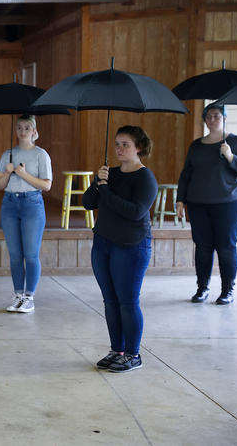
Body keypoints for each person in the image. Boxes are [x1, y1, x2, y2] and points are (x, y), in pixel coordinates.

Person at [83, 126, 157, 373]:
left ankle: (133, 354)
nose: (119, 149)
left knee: (127, 301)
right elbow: (87, 203)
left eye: (125, 144)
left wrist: (105, 189)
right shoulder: (109, 174)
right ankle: (117, 350)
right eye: (117, 144)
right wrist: (97, 182)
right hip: (103, 242)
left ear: (139, 148)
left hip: (131, 246)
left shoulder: (145, 178)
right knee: (110, 301)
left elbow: (135, 212)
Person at [176, 104, 237, 305]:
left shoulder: (236, 142)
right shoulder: (196, 146)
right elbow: (186, 174)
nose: (212, 120)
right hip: (198, 203)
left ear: (224, 118)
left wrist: (231, 157)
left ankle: (227, 291)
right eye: (208, 116)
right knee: (203, 247)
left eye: (216, 116)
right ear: (204, 120)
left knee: (226, 247)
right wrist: (180, 200)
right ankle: (202, 288)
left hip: (227, 203)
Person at [0, 114, 52, 314]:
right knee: (15, 254)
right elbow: (0, 185)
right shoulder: (7, 154)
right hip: (10, 203)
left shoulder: (40, 154)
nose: (22, 131)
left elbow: (46, 185)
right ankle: (18, 294)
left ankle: (29, 297)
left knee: (30, 253)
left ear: (34, 131)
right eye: (19, 127)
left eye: (27, 127)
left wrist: (23, 174)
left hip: (31, 203)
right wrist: (7, 173)